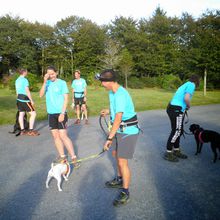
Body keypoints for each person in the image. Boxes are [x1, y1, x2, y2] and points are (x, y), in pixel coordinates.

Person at [96, 69, 140, 207]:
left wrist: (109, 138)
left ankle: (125, 191)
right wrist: (108, 111)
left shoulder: (121, 94)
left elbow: (119, 118)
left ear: (108, 81)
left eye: (102, 81)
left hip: (128, 130)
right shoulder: (112, 92)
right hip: (119, 129)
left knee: (122, 162)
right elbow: (117, 109)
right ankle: (120, 179)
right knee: (115, 154)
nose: (101, 84)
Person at [39, 66, 79, 167]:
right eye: (48, 74)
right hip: (51, 114)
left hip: (61, 113)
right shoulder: (47, 83)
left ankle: (74, 157)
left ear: (56, 73)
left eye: (52, 73)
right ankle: (62, 156)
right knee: (55, 136)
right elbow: (40, 95)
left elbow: (66, 99)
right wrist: (44, 81)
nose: (50, 76)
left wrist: (62, 113)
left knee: (63, 136)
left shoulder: (62, 83)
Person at [164, 74, 200, 162]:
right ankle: (168, 152)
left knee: (178, 130)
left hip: (172, 108)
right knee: (177, 131)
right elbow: (186, 98)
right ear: (197, 81)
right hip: (176, 109)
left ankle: (176, 150)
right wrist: (188, 106)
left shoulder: (185, 84)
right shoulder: (191, 85)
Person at [15, 68, 39, 136]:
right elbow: (27, 91)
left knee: (21, 114)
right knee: (33, 114)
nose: (27, 72)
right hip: (25, 99)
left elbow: (17, 91)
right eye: (26, 71)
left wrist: (18, 98)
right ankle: (31, 131)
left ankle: (23, 131)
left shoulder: (17, 80)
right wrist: (31, 100)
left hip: (19, 98)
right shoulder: (25, 80)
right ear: (24, 72)